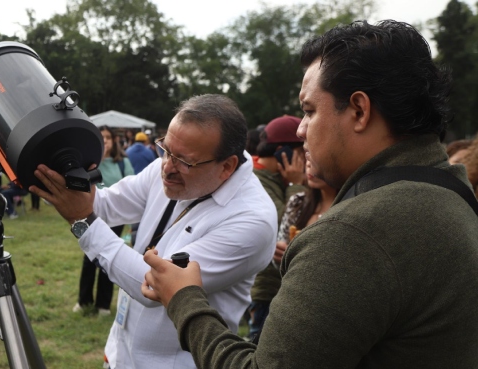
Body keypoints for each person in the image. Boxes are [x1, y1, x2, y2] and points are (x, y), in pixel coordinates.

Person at [141, 20, 478, 368]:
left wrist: (185, 300)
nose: (301, 129)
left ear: (359, 111)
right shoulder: (451, 191)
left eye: (309, 110)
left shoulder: (354, 235)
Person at [30, 94, 277, 369]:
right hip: (120, 356)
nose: (167, 168)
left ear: (227, 166)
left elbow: (152, 285)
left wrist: (82, 222)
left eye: (185, 162)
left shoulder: (252, 221)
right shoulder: (174, 161)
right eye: (165, 149)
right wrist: (59, 172)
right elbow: (106, 204)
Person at [247, 115, 306, 340]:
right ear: (285, 152)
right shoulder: (258, 181)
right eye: (302, 151)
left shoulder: (272, 177)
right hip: (266, 290)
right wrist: (296, 185)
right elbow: (285, 225)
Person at [73, 125, 134, 316]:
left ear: (114, 140)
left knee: (108, 260)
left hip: (115, 219)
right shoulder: (88, 163)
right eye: (101, 138)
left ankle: (103, 305)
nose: (105, 141)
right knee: (89, 258)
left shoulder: (122, 163)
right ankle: (84, 301)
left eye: (107, 137)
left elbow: (131, 188)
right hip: (90, 217)